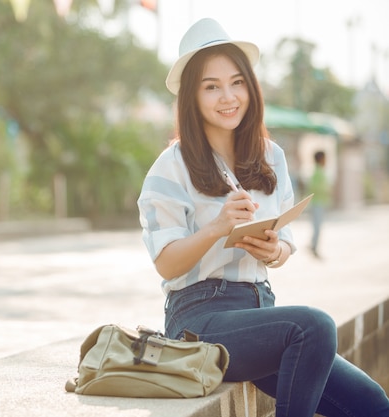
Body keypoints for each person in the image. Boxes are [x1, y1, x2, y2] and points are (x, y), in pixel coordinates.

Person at [137, 18, 389, 417]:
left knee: (373, 403)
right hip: (199, 320)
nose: (228, 96)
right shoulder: (171, 166)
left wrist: (275, 250)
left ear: (251, 87)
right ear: (191, 96)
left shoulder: (271, 156)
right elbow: (166, 261)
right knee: (315, 326)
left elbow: (285, 241)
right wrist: (217, 228)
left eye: (237, 82)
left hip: (261, 316)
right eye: (211, 86)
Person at [308, 150, 331, 258]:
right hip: (317, 202)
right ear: (321, 159)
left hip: (320, 202)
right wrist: (325, 190)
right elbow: (314, 187)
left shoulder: (320, 171)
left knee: (318, 226)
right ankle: (314, 247)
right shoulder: (317, 172)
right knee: (317, 226)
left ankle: (313, 245)